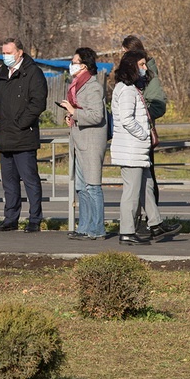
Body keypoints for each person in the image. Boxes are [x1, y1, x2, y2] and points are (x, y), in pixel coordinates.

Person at [111, 50, 177, 246]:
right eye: (141, 64)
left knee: (146, 186)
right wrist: (144, 135)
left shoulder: (131, 88)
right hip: (132, 150)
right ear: (131, 66)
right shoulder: (127, 90)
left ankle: (156, 224)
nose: (144, 68)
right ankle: (127, 232)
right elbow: (126, 120)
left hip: (137, 151)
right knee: (132, 192)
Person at [0, 37, 48, 232]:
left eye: (8, 53)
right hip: (4, 137)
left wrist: (21, 123)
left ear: (19, 52)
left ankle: (34, 219)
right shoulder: (2, 72)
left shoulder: (33, 73)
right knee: (9, 183)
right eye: (3, 53)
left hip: (23, 137)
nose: (5, 56)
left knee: (30, 180)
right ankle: (10, 218)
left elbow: (38, 103)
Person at [59, 47, 108, 240]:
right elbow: (80, 111)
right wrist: (70, 115)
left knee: (93, 186)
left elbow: (97, 116)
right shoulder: (77, 85)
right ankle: (84, 227)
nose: (71, 65)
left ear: (84, 65)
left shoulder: (93, 86)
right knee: (81, 187)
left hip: (91, 142)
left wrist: (74, 111)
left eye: (75, 61)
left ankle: (98, 228)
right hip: (79, 141)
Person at [121, 35, 167, 223]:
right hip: (132, 135)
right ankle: (146, 221)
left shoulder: (149, 76)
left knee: (147, 179)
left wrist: (139, 113)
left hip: (142, 133)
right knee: (138, 181)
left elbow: (157, 105)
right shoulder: (128, 78)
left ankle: (146, 221)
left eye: (124, 52)